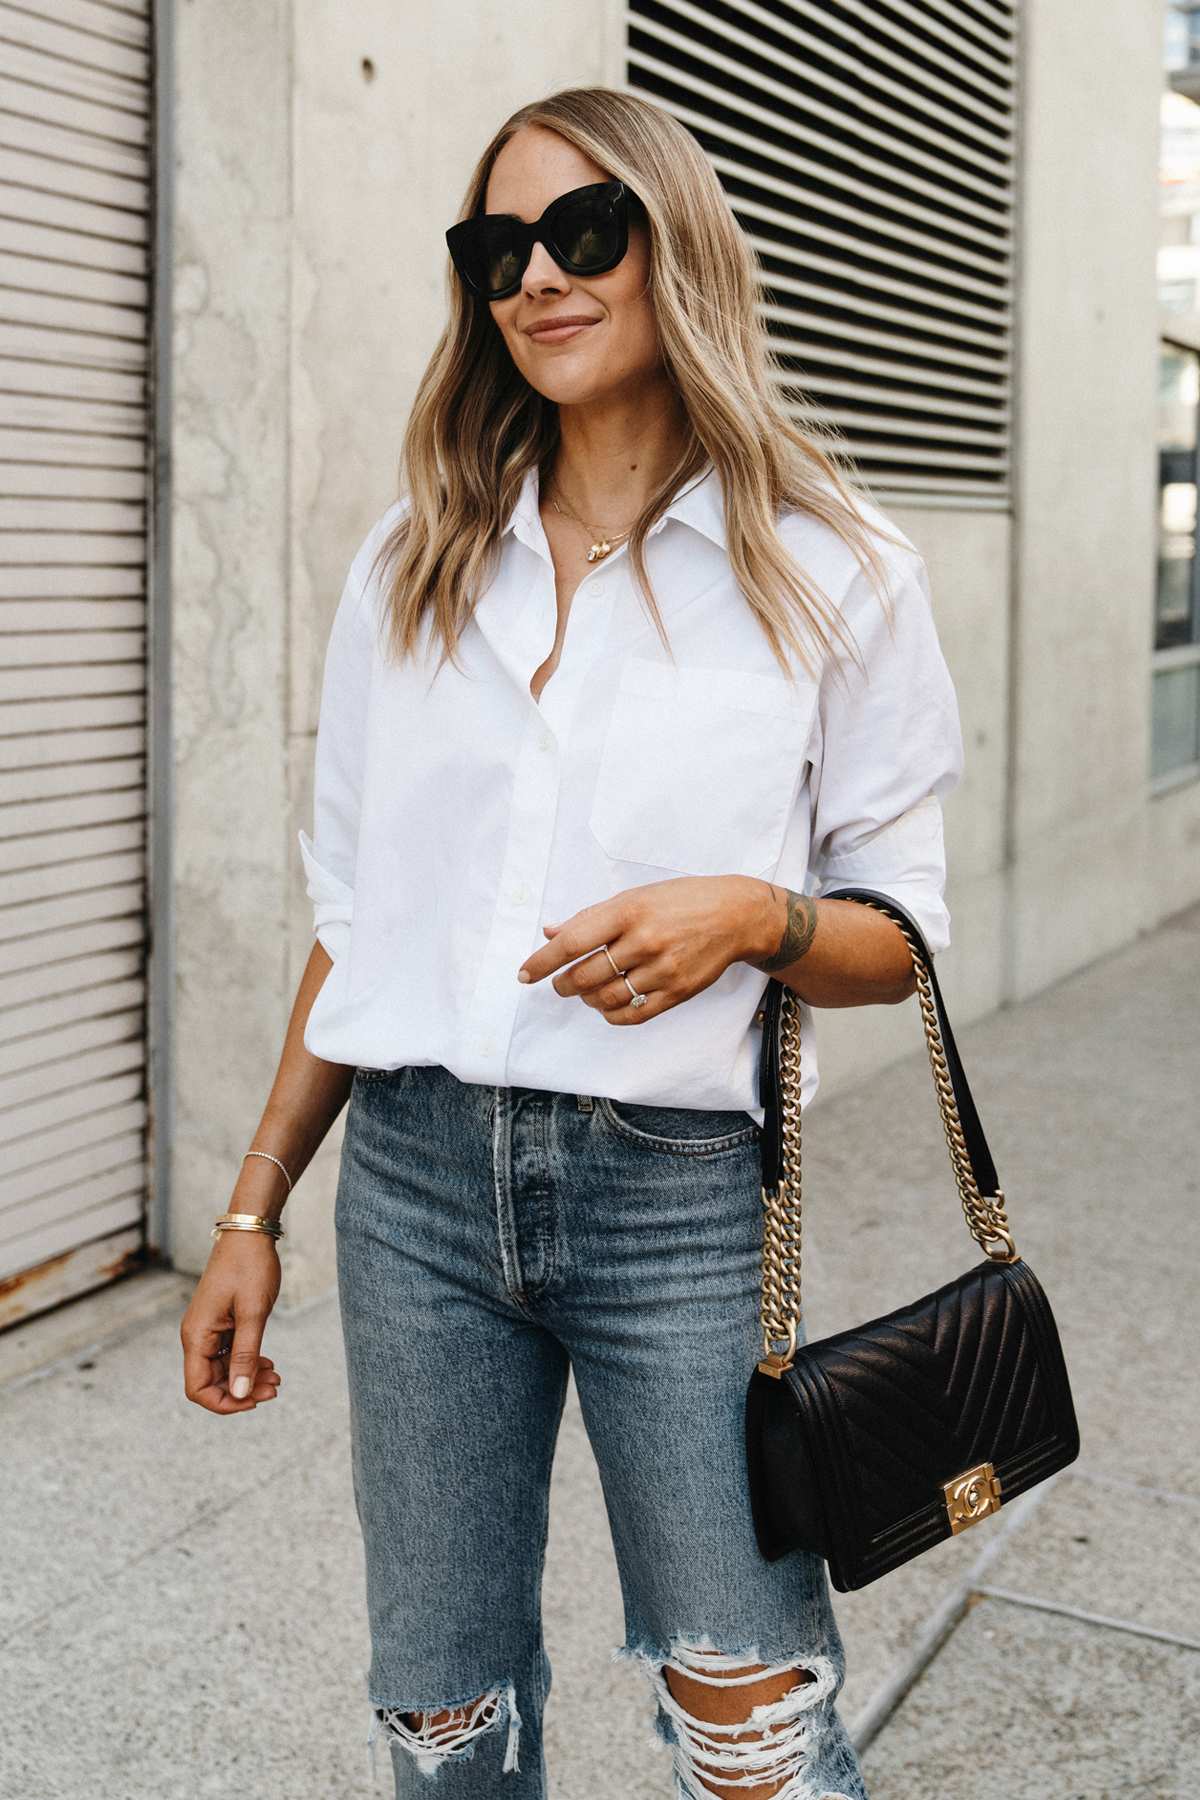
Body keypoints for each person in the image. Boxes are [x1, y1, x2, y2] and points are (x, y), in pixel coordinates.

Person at [181, 87, 962, 1800]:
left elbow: (903, 936)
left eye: (582, 233)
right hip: (413, 1187)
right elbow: (356, 921)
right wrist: (254, 1207)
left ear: (674, 246)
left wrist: (756, 919)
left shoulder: (838, 566)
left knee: (748, 1718)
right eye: (495, 248)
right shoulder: (414, 559)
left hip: (675, 1193)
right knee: (440, 1715)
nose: (536, 276)